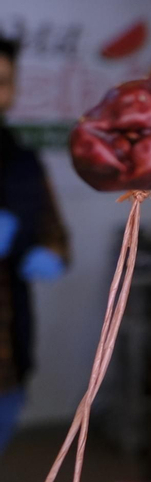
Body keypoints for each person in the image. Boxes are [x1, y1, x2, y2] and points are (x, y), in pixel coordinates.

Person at [0, 36, 69, 454]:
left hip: (9, 348)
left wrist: (52, 253)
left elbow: (54, 230)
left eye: (4, 81)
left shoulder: (23, 159)